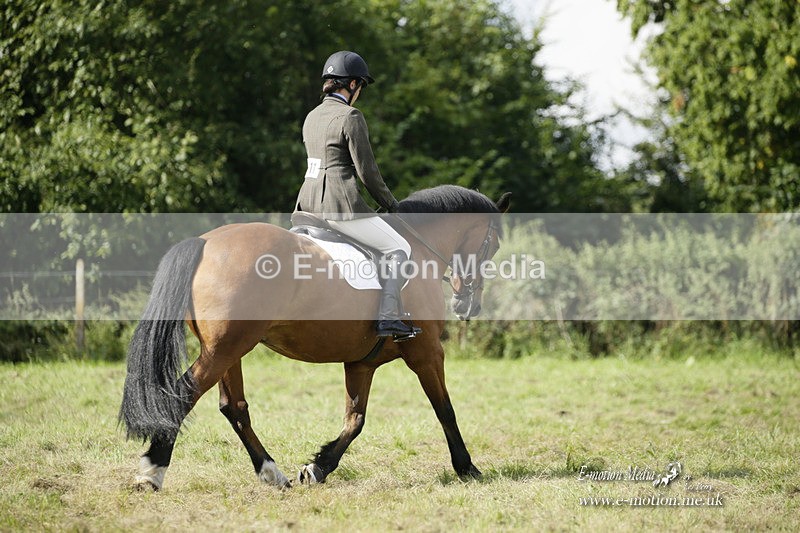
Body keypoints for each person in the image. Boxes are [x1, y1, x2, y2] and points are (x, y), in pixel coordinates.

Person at [294, 50, 420, 341]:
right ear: (352, 85)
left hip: (307, 205)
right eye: (360, 87)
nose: (360, 93)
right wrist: (391, 204)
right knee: (399, 248)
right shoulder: (350, 116)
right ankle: (388, 318)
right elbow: (367, 172)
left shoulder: (311, 117)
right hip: (339, 206)